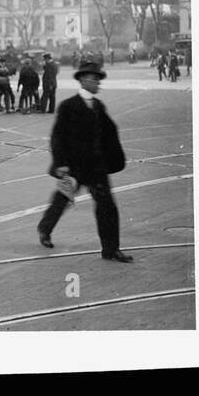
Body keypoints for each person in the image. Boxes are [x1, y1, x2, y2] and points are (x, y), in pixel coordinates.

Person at [36, 60, 132, 262]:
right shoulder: (68, 106)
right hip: (74, 167)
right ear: (82, 80)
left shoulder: (98, 106)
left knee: (107, 207)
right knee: (62, 201)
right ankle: (45, 229)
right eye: (94, 79)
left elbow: (109, 133)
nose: (98, 83)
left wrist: (112, 158)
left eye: (98, 79)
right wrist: (61, 163)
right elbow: (58, 136)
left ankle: (111, 250)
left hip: (96, 167)